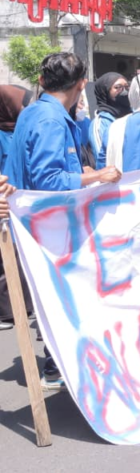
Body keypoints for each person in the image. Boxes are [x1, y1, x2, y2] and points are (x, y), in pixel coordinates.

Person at [3, 52, 122, 388]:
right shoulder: (50, 121)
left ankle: (60, 364)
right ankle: (59, 368)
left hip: (40, 226)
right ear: (81, 85)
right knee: (65, 300)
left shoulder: (36, 113)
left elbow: (50, 168)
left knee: (58, 299)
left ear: (42, 81)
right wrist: (96, 176)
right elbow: (48, 180)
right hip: (48, 229)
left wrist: (81, 170)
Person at [0, 87, 33, 331]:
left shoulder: (19, 131)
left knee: (20, 255)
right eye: (22, 104)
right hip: (3, 201)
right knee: (5, 258)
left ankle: (23, 305)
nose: (25, 109)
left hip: (18, 201)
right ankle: (6, 311)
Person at [89, 72, 131, 169]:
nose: (124, 91)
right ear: (105, 92)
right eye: (117, 87)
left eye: (126, 87)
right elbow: (101, 157)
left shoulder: (133, 116)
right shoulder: (100, 123)